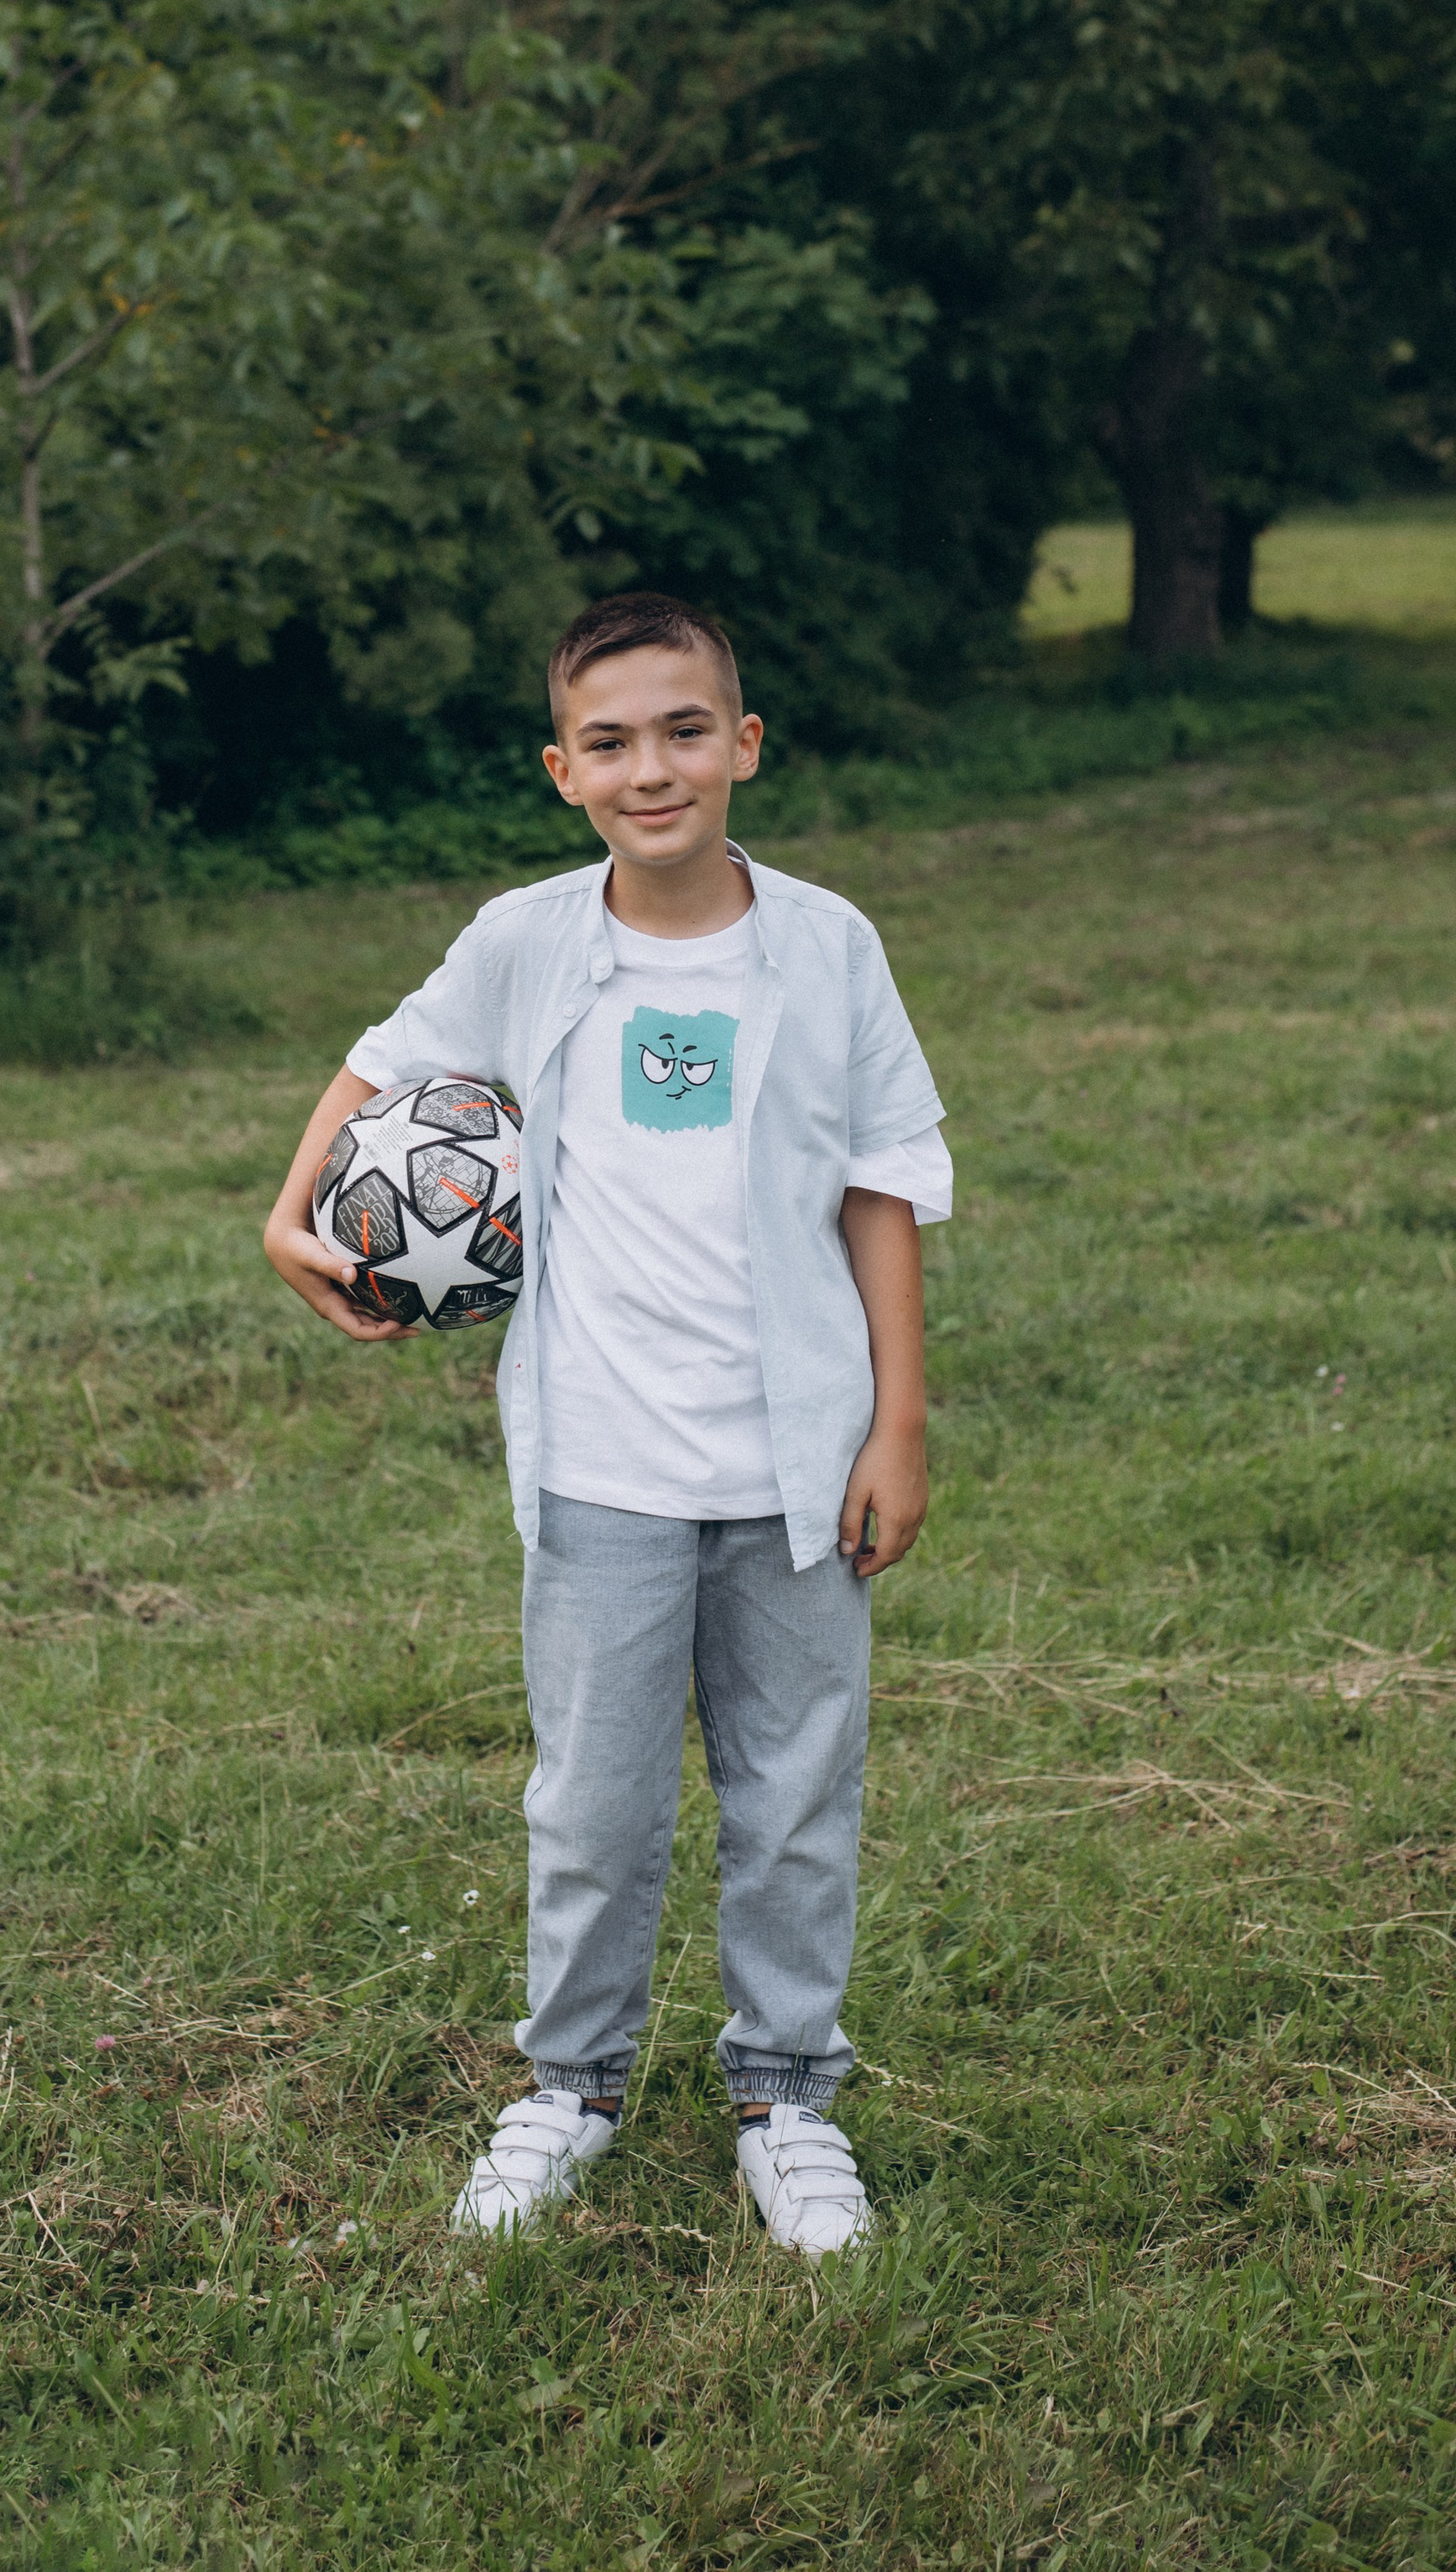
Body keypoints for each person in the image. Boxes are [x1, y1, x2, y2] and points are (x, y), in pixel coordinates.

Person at [263, 592, 950, 2256]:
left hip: (796, 1461)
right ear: (561, 768)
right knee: (592, 1795)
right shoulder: (523, 939)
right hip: (600, 1464)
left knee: (794, 1787)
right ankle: (566, 2083)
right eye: (614, 742)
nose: (655, 768)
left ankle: (785, 2095)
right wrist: (289, 1223)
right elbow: (375, 1070)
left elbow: (879, 1190)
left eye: (686, 731)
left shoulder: (825, 943)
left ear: (744, 744)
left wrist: (899, 1420)